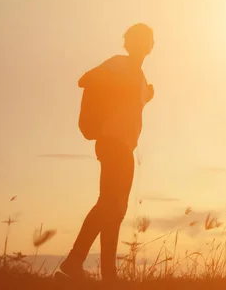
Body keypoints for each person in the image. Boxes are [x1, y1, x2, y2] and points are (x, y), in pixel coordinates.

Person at [60, 23, 155, 282]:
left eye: (147, 40)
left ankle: (108, 275)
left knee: (115, 209)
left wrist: (147, 94)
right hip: (112, 142)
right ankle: (75, 261)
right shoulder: (119, 64)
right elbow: (86, 79)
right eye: (140, 39)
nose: (145, 44)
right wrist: (121, 85)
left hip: (123, 145)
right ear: (130, 43)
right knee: (109, 204)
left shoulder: (138, 76)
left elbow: (135, 100)